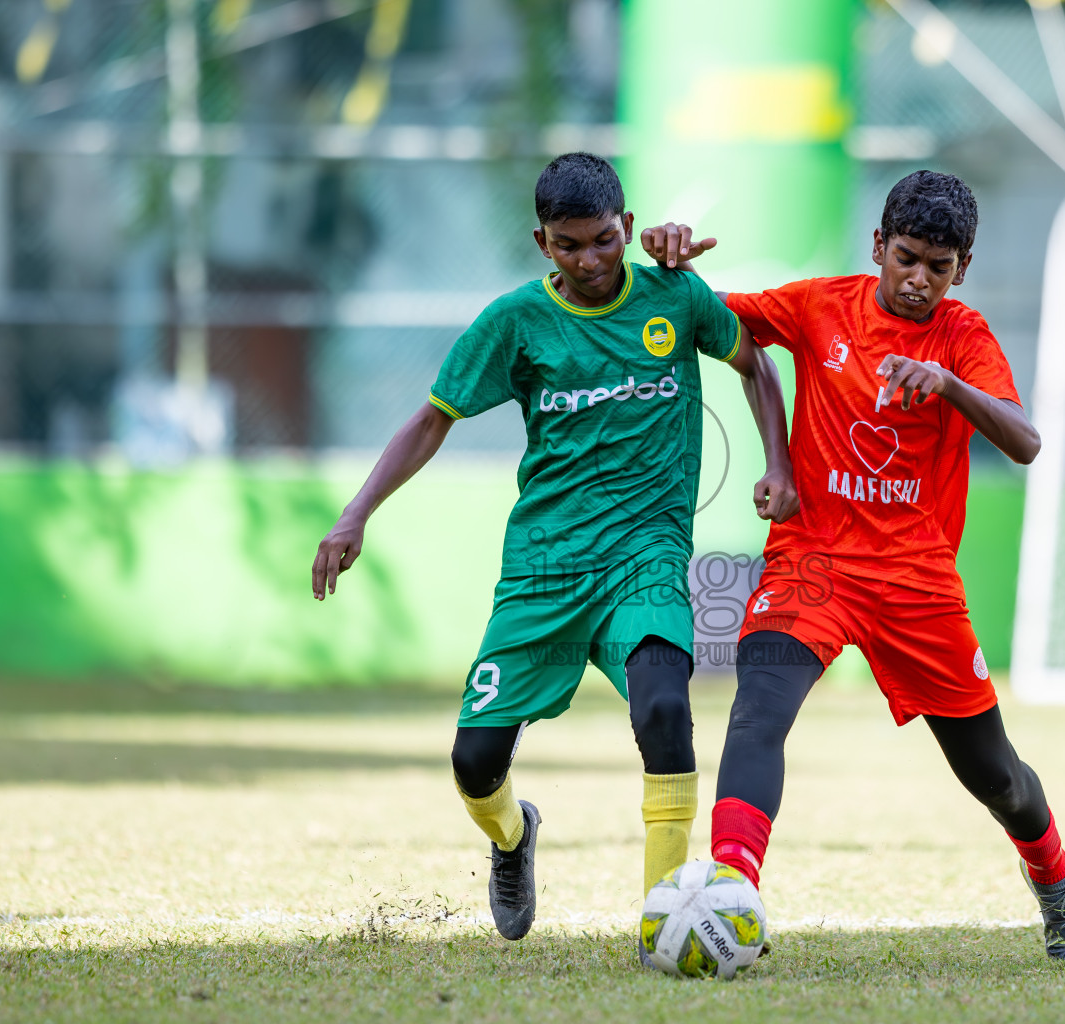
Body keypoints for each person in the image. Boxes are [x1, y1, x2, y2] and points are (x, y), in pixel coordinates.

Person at [311, 152, 797, 944]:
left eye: (605, 241)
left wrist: (779, 463)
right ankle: (513, 836)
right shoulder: (516, 323)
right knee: (474, 764)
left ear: (628, 229)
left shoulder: (675, 294)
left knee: (666, 708)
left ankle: (662, 915)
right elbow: (433, 419)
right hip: (544, 566)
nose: (592, 260)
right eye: (570, 245)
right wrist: (354, 515)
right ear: (543, 243)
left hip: (647, 552)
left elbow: (756, 364)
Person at [641, 170, 1065, 960]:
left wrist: (949, 383)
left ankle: (1060, 893)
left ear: (963, 268)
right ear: (879, 246)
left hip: (915, 584)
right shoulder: (822, 306)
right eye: (908, 259)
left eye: (940, 267)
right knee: (757, 710)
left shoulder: (962, 336)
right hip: (811, 564)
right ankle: (732, 886)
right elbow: (710, 320)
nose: (920, 280)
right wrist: (665, 263)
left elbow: (1024, 442)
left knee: (995, 776)